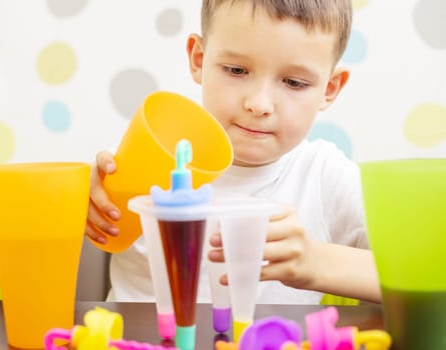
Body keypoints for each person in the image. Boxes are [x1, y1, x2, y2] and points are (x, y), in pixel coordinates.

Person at [86, 0, 381, 304]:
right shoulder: (140, 159)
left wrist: (315, 261)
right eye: (237, 70)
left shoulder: (325, 177)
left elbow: (425, 278)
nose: (259, 104)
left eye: (294, 82)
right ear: (198, 60)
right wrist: (82, 203)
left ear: (330, 88)